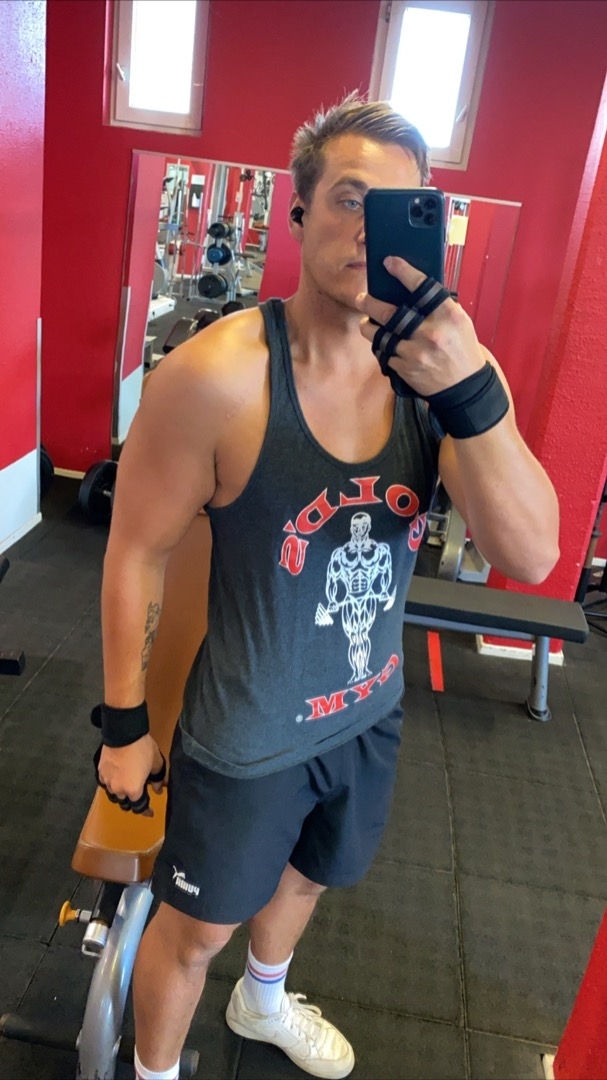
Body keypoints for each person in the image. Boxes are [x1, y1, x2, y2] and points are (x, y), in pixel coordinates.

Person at [96, 94, 560, 1080]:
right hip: (244, 738)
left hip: (366, 712)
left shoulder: (446, 375)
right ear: (299, 213)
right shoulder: (216, 378)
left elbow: (529, 554)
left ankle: (263, 1003)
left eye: (400, 209)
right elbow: (134, 551)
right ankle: (154, 1070)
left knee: (309, 878)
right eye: (350, 200)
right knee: (197, 933)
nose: (369, 231)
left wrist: (469, 391)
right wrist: (125, 727)